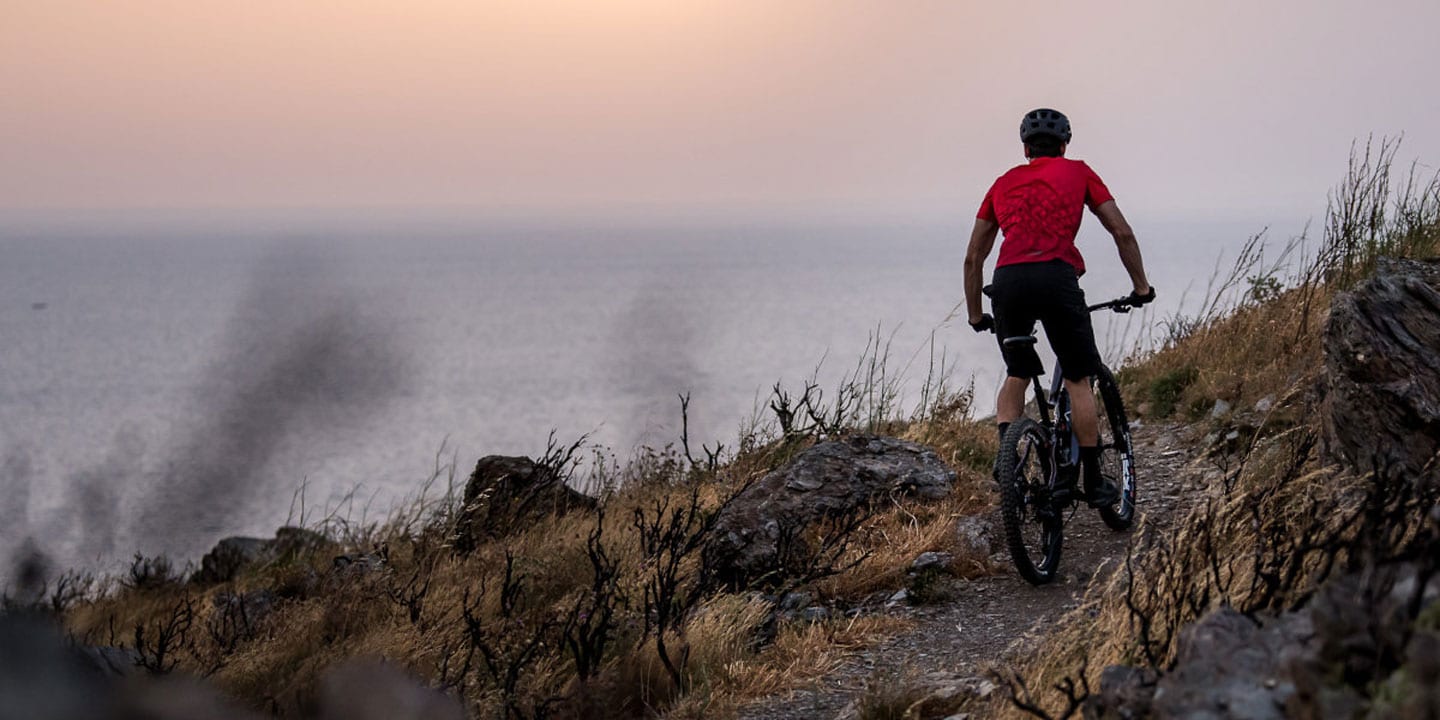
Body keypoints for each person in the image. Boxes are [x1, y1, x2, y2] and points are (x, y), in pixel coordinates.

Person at [962, 108, 1154, 508]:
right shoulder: (1080, 172)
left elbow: (973, 257)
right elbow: (1122, 231)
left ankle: (1008, 458)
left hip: (1009, 282)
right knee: (1078, 379)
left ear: (1026, 148)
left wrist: (976, 314)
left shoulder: (1002, 184)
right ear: (1064, 145)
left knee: (1017, 374)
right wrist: (1140, 287)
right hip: (1056, 277)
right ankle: (1094, 482)